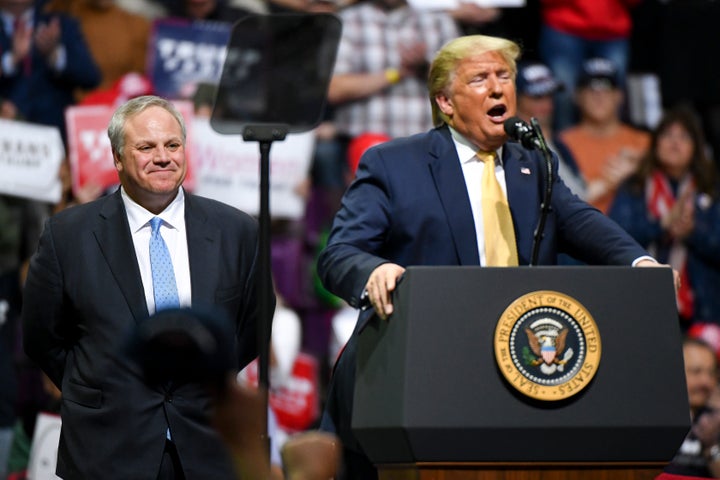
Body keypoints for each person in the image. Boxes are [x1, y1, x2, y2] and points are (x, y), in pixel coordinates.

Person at [316, 34, 677, 480]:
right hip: (418, 373)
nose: (497, 88)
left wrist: (641, 265)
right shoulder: (395, 164)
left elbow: (583, 223)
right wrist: (374, 270)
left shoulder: (535, 165)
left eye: (504, 76)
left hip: (513, 377)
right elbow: (339, 255)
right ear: (446, 101)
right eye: (480, 78)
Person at [21, 95, 269, 479]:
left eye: (172, 145)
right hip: (106, 449)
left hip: (207, 448)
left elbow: (255, 325)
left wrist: (204, 378)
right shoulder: (67, 235)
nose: (163, 156)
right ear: (117, 158)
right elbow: (41, 336)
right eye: (146, 147)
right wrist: (101, 383)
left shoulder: (237, 231)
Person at [608, 107, 720, 325]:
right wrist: (662, 226)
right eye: (667, 135)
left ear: (696, 147)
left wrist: (692, 233)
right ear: (655, 143)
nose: (674, 143)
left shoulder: (712, 190)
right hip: (641, 304)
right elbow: (614, 241)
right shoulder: (634, 187)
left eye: (684, 137)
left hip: (704, 309)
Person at [557, 57, 650, 214]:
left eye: (606, 88)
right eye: (591, 88)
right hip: (580, 233)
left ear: (619, 96)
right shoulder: (561, 144)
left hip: (635, 235)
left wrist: (640, 168)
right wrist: (606, 183)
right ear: (577, 96)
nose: (599, 96)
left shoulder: (644, 142)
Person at [0, 0, 101, 140]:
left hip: (55, 136)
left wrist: (55, 55)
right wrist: (10, 61)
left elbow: (91, 77)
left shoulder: (59, 24)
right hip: (5, 136)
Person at [538, 0, 641, 131]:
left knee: (613, 98)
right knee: (564, 97)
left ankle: (612, 148)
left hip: (613, 28)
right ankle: (562, 149)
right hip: (563, 26)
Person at [514, 60, 586, 199]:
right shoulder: (511, 147)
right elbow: (574, 197)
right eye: (537, 97)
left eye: (549, 95)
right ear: (517, 99)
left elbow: (580, 193)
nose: (546, 104)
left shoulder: (559, 143)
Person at [663, 337, 720, 477]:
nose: (705, 382)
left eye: (711, 373)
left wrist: (712, 447)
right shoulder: (656, 417)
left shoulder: (716, 421)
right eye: (696, 371)